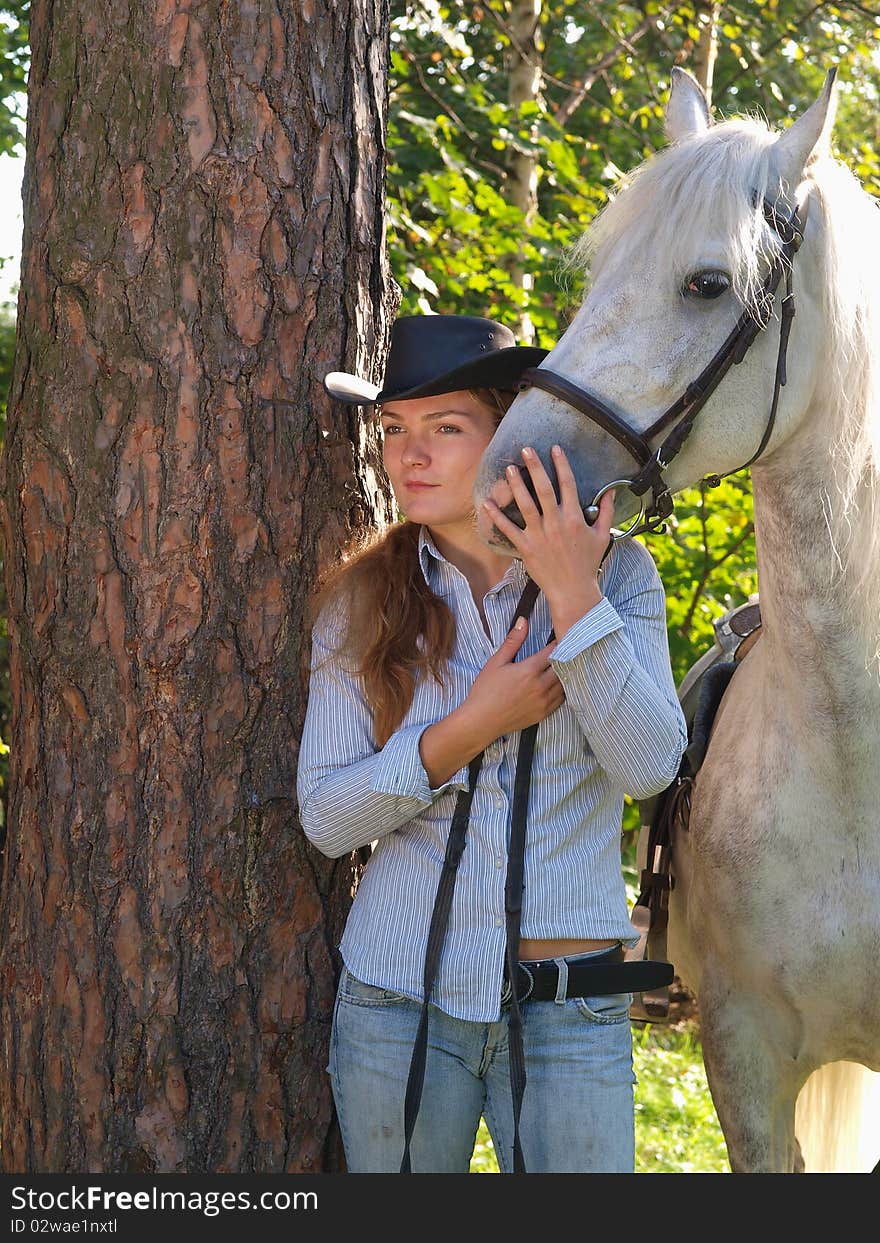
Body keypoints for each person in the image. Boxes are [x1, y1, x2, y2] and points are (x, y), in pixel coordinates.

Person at [297, 313, 688, 1173]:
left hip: (568, 1015)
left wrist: (573, 593)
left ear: (510, 434)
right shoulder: (360, 602)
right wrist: (471, 726)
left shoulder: (620, 576)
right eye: (394, 429)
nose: (409, 456)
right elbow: (327, 817)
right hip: (399, 1006)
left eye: (444, 428)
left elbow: (652, 765)